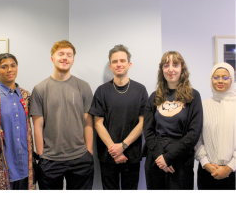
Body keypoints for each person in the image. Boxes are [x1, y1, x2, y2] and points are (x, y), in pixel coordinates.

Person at [30, 40, 94, 190]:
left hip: (80, 158)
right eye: (61, 54)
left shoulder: (83, 86)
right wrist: (41, 155)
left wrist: (89, 153)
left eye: (68, 55)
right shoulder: (40, 89)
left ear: (73, 60)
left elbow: (88, 123)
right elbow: (37, 126)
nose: (65, 57)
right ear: (52, 58)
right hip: (50, 159)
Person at [89, 44, 148, 190]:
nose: (119, 64)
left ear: (129, 64)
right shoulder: (102, 91)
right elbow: (98, 124)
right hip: (107, 156)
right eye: (115, 61)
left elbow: (143, 122)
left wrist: (123, 146)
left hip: (132, 154)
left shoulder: (140, 90)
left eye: (122, 60)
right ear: (110, 66)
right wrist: (113, 149)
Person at [143, 51, 203, 190]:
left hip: (180, 161)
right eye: (166, 65)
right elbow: (148, 130)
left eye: (175, 64)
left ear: (182, 68)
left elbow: (193, 133)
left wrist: (169, 157)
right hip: (156, 161)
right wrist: (161, 157)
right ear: (161, 70)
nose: (170, 69)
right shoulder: (154, 97)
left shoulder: (193, 96)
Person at [0, 53, 36, 190]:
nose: (10, 70)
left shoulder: (26, 96)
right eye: (4, 67)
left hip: (26, 165)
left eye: (13, 65)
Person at [195, 62, 235, 190]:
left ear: (232, 79)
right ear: (211, 80)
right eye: (216, 77)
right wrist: (206, 164)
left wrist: (229, 167)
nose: (220, 81)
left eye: (225, 77)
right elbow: (196, 138)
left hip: (233, 171)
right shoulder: (202, 106)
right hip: (207, 171)